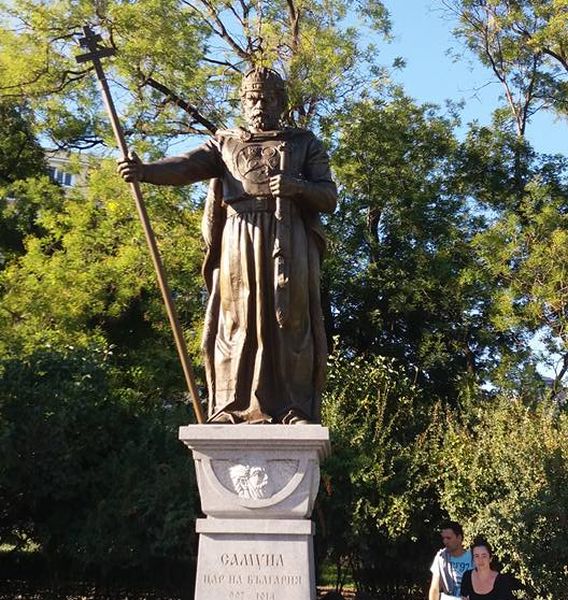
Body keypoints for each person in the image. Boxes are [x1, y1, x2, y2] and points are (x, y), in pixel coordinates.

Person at [118, 67, 337, 424]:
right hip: (239, 236)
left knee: (289, 320)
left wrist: (297, 186)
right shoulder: (225, 144)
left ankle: (293, 408)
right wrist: (146, 171)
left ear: (280, 101)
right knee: (237, 319)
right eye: (251, 97)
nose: (258, 104)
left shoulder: (303, 143)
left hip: (288, 238)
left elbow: (329, 196)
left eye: (266, 97)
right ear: (242, 101)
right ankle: (231, 406)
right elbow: (185, 166)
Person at [429, 521, 474, 600]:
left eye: (449, 538)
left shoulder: (473, 557)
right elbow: (435, 588)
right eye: (443, 538)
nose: (445, 541)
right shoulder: (441, 557)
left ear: (459, 538)